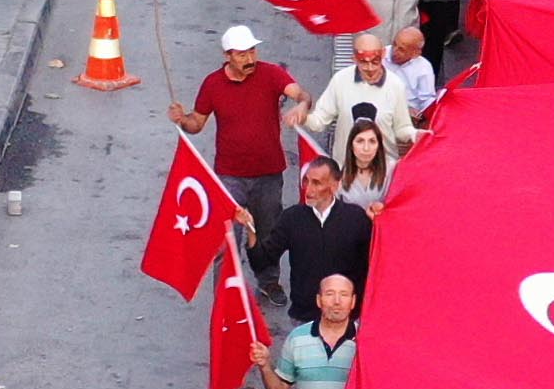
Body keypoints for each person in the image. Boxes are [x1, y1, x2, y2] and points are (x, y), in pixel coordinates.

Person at [167, 27, 297, 287]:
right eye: (241, 54)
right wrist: (182, 120)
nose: (249, 59)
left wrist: (303, 103)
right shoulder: (213, 84)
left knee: (267, 232)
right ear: (227, 56)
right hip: (229, 177)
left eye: (252, 51)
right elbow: (197, 123)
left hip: (269, 173)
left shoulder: (271, 74)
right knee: (226, 237)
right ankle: (225, 295)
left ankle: (269, 282)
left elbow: (299, 92)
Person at [260, 153, 375, 320]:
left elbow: (374, 260)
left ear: (335, 186)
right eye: (306, 181)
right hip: (305, 315)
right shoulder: (292, 218)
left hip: (348, 319)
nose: (308, 189)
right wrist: (249, 233)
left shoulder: (358, 219)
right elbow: (265, 255)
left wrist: (380, 223)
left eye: (316, 183)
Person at [304, 33, 417, 163]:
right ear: (354, 59)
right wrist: (303, 118)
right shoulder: (340, 80)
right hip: (346, 169)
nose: (370, 69)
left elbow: (401, 128)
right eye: (364, 63)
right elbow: (320, 120)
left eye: (375, 62)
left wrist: (414, 135)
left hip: (382, 171)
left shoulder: (396, 85)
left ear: (383, 54)